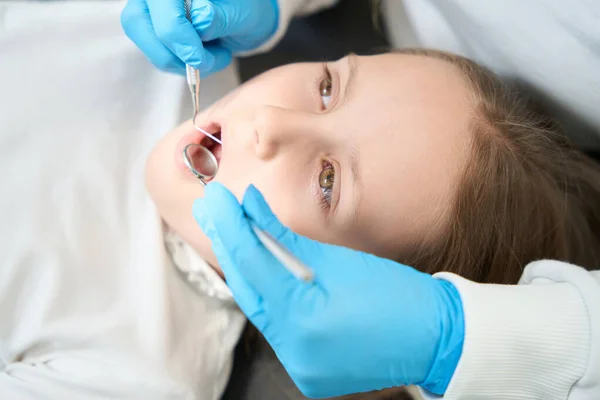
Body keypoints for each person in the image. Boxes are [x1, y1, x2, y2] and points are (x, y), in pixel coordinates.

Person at [122, 0, 600, 399]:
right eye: (328, 89)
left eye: (328, 182)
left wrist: (453, 340)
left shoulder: (124, 373)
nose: (269, 122)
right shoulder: (165, 50)